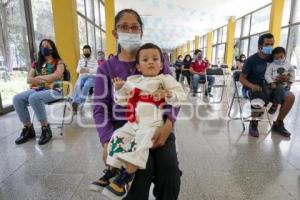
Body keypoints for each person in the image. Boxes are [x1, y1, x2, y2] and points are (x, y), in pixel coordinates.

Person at [91, 9, 182, 200]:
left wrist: (168, 126)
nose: (129, 31)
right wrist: (106, 141)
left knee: (170, 172)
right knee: (141, 172)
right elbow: (99, 108)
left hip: (158, 124)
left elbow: (175, 96)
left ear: (141, 31)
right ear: (115, 33)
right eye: (124, 27)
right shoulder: (106, 68)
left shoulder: (158, 62)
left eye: (134, 27)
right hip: (125, 125)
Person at [239, 33, 295, 138]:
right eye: (267, 44)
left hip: (272, 87)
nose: (270, 47)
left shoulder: (274, 57)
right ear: (260, 46)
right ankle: (254, 123)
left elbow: (285, 70)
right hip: (253, 87)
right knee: (259, 95)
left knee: (290, 97)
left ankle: (278, 124)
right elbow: (241, 78)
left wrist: (285, 78)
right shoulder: (251, 60)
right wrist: (252, 86)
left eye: (272, 44)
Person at [13, 39, 65, 145]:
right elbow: (28, 79)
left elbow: (56, 76)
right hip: (37, 89)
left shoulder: (59, 62)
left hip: (55, 90)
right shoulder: (36, 63)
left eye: (47, 46)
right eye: (42, 46)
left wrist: (38, 78)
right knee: (17, 98)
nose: (44, 48)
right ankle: (28, 128)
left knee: (34, 98)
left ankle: (45, 128)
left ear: (52, 48)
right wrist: (46, 79)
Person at [265, 47, 295, 114]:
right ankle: (264, 105)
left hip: (282, 84)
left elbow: (292, 73)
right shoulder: (272, 65)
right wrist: (271, 82)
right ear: (273, 57)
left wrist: (290, 82)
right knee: (266, 90)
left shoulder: (288, 64)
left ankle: (275, 105)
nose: (279, 59)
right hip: (272, 83)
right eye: (276, 58)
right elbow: (267, 75)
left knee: (280, 89)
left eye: (281, 57)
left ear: (285, 55)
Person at [72, 45, 98, 113]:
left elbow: (96, 70)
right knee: (77, 85)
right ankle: (75, 102)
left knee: (86, 86)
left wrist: (88, 70)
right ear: (83, 52)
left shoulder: (94, 60)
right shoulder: (80, 60)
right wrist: (81, 70)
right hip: (82, 76)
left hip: (91, 77)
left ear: (90, 51)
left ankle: (79, 103)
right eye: (84, 51)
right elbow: (77, 70)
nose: (86, 52)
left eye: (87, 51)